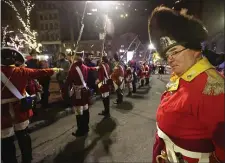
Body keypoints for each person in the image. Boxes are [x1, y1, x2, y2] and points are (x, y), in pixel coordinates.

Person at [149, 6, 224, 163]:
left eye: (175, 51)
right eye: (167, 55)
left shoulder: (211, 86)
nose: (170, 59)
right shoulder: (183, 78)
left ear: (195, 50)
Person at [1, 47, 61, 163]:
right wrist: (55, 69)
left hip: (2, 113)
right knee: (23, 136)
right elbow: (41, 72)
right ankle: (27, 159)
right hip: (20, 109)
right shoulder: (22, 71)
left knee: (6, 141)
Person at [63, 52, 98, 137]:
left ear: (75, 58)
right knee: (86, 110)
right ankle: (86, 128)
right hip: (85, 91)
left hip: (78, 92)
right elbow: (90, 69)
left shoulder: (73, 68)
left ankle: (80, 130)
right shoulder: (84, 66)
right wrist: (96, 68)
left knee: (79, 112)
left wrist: (64, 92)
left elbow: (68, 82)